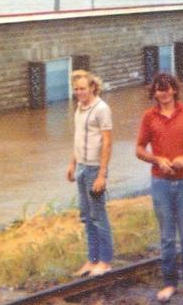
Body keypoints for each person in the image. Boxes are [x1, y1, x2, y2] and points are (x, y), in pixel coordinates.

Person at [135, 73, 183, 303]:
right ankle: (169, 284)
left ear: (175, 90)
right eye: (159, 89)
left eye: (167, 89)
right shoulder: (149, 117)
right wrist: (157, 160)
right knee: (167, 237)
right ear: (154, 93)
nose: (163, 93)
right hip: (160, 184)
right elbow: (139, 148)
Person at [66, 70, 114, 277]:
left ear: (92, 87)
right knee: (86, 216)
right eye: (76, 89)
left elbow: (107, 142)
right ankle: (92, 259)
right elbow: (78, 138)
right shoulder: (79, 108)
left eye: (83, 88)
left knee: (98, 216)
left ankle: (105, 261)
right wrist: (72, 164)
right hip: (82, 167)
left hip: (95, 168)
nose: (79, 92)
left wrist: (102, 174)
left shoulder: (102, 109)